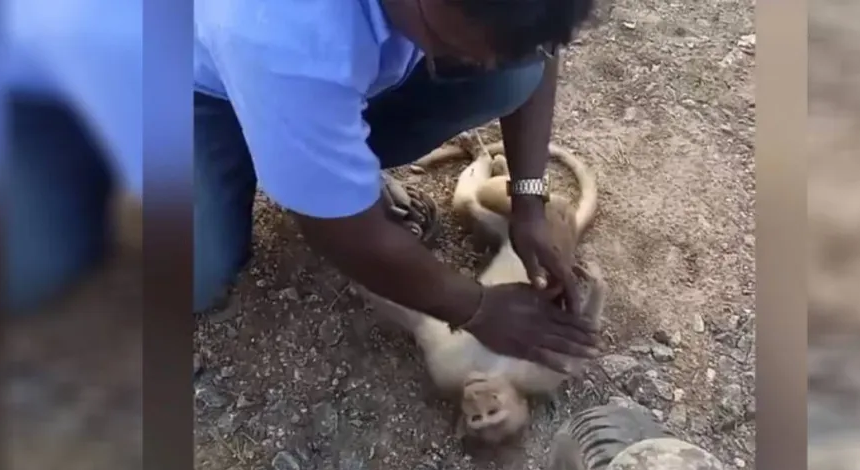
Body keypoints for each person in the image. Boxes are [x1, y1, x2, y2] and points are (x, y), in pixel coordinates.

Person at [193, 0, 600, 371]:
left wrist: (529, 203)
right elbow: (342, 234)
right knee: (193, 276)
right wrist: (479, 309)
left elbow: (533, 43)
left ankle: (311, 152)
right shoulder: (282, 26)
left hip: (304, 68)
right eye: (450, 42)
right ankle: (288, 156)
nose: (487, 63)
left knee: (511, 75)